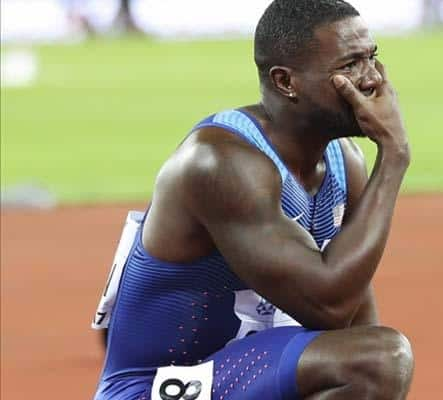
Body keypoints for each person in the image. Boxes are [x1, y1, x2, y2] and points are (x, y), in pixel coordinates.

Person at [93, 0, 414, 399]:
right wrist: (395, 155)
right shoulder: (220, 162)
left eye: (372, 57)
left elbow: (353, 316)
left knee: (374, 356)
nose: (371, 80)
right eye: (349, 65)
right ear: (285, 81)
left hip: (236, 377)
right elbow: (327, 307)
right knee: (380, 359)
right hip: (155, 388)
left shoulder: (343, 160)